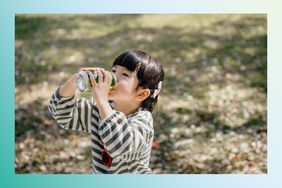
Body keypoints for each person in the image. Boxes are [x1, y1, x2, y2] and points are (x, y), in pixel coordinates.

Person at [48, 49, 164, 174]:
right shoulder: (100, 110)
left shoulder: (142, 120)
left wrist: (102, 101)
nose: (112, 77)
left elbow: (121, 146)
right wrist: (75, 80)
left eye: (124, 74)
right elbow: (62, 113)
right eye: (113, 71)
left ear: (142, 93)